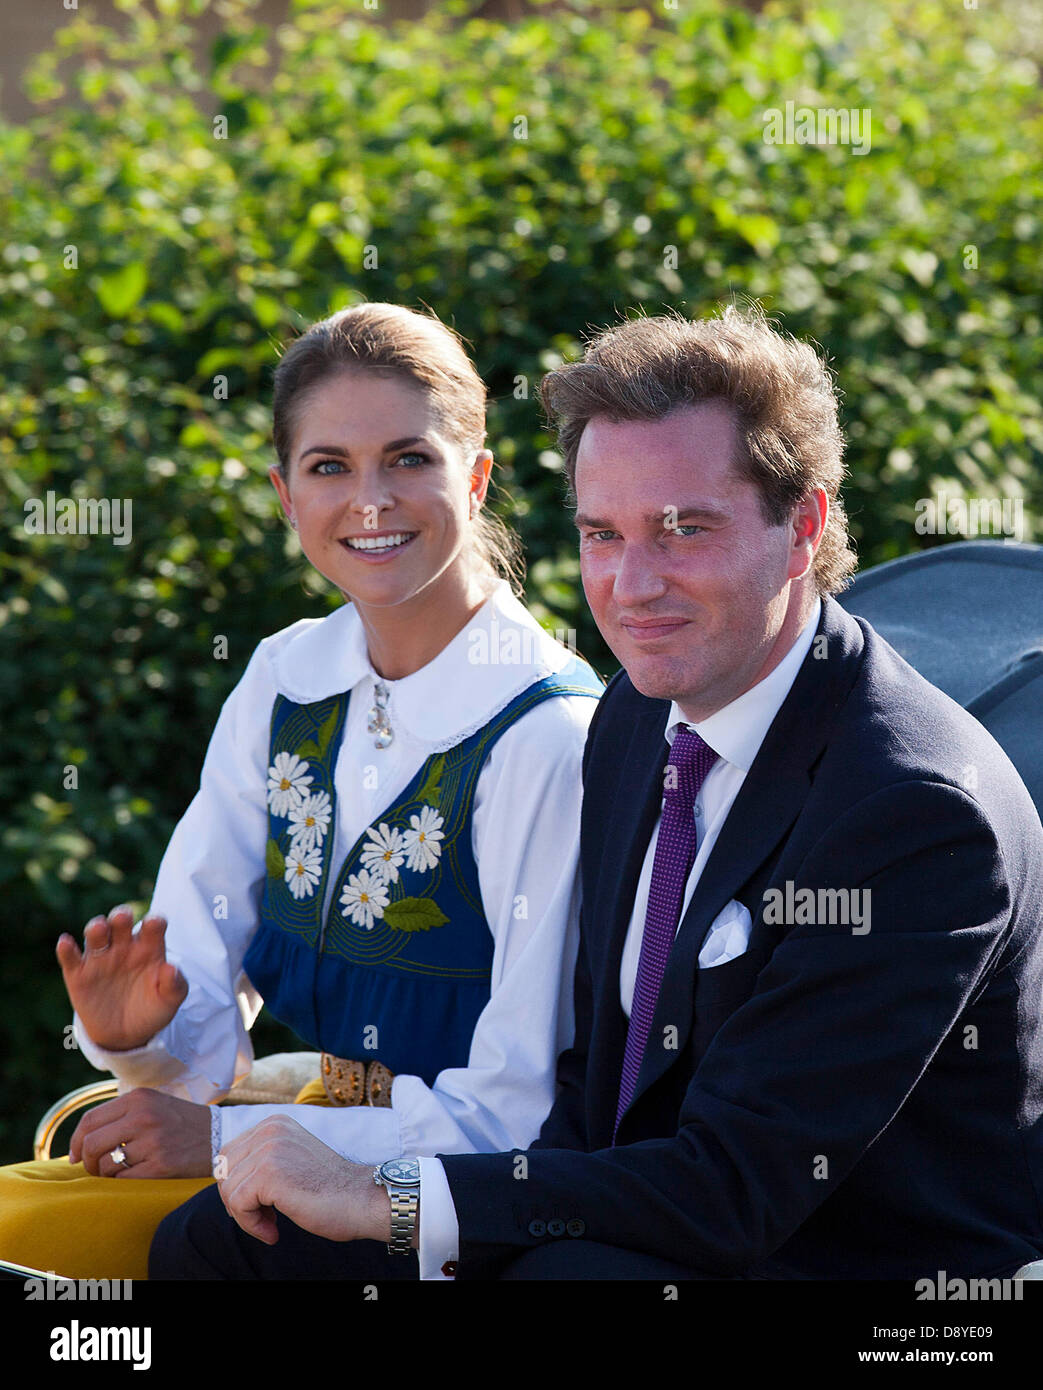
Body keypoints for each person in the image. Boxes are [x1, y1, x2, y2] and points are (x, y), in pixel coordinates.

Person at [159, 303, 1043, 1281]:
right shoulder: (635, 720)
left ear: (802, 527)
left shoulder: (910, 810)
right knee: (223, 1244)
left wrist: (392, 1196)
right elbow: (589, 1097)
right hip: (627, 1216)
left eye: (683, 529)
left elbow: (738, 1182)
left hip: (866, 1286)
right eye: (600, 534)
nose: (631, 584)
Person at [0, 302, 603, 1280]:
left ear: (477, 475)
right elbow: (195, 1025)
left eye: (408, 458)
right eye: (329, 466)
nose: (369, 500)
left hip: (456, 1212)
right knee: (13, 1230)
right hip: (298, 1142)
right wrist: (140, 1039)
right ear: (286, 495)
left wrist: (231, 1140)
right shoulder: (284, 681)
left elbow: (516, 1116)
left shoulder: (543, 735)